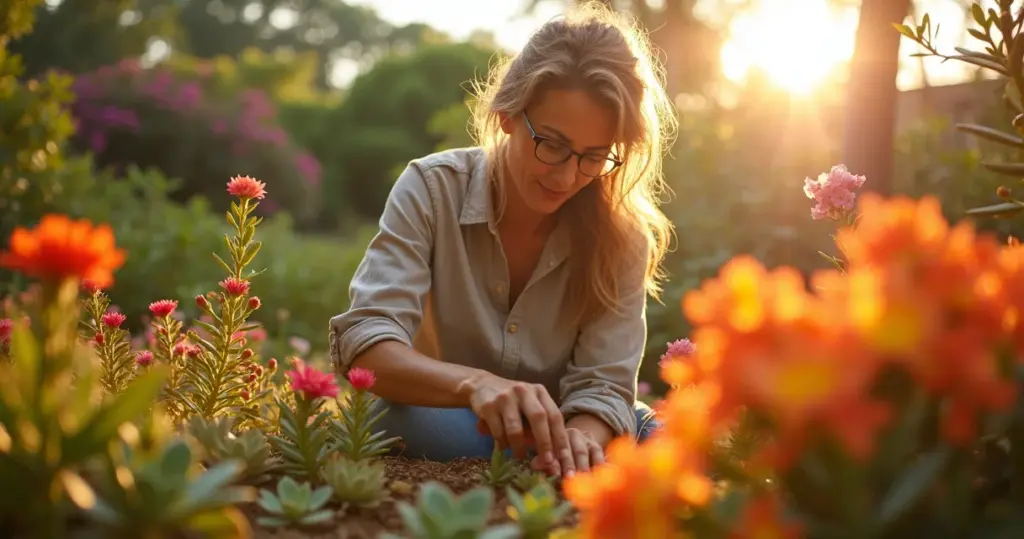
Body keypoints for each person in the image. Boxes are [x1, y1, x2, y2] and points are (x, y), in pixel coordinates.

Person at [329, 1, 676, 479]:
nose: (568, 176)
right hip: (445, 414)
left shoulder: (624, 235)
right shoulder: (432, 188)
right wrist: (475, 386)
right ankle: (547, 455)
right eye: (552, 144)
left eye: (594, 156)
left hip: (558, 425)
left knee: (660, 436)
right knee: (389, 418)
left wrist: (581, 438)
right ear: (507, 114)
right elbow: (368, 346)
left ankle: (549, 454)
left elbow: (605, 388)